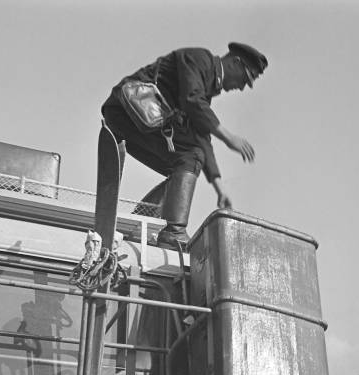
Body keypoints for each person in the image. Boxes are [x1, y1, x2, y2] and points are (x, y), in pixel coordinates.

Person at [102, 43, 267, 249]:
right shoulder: (199, 59)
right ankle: (174, 232)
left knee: (183, 166)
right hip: (126, 110)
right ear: (235, 62)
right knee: (189, 157)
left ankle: (143, 219)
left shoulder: (205, 86)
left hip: (131, 124)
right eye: (245, 78)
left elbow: (202, 138)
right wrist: (228, 137)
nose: (242, 87)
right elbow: (192, 100)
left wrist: (219, 188)